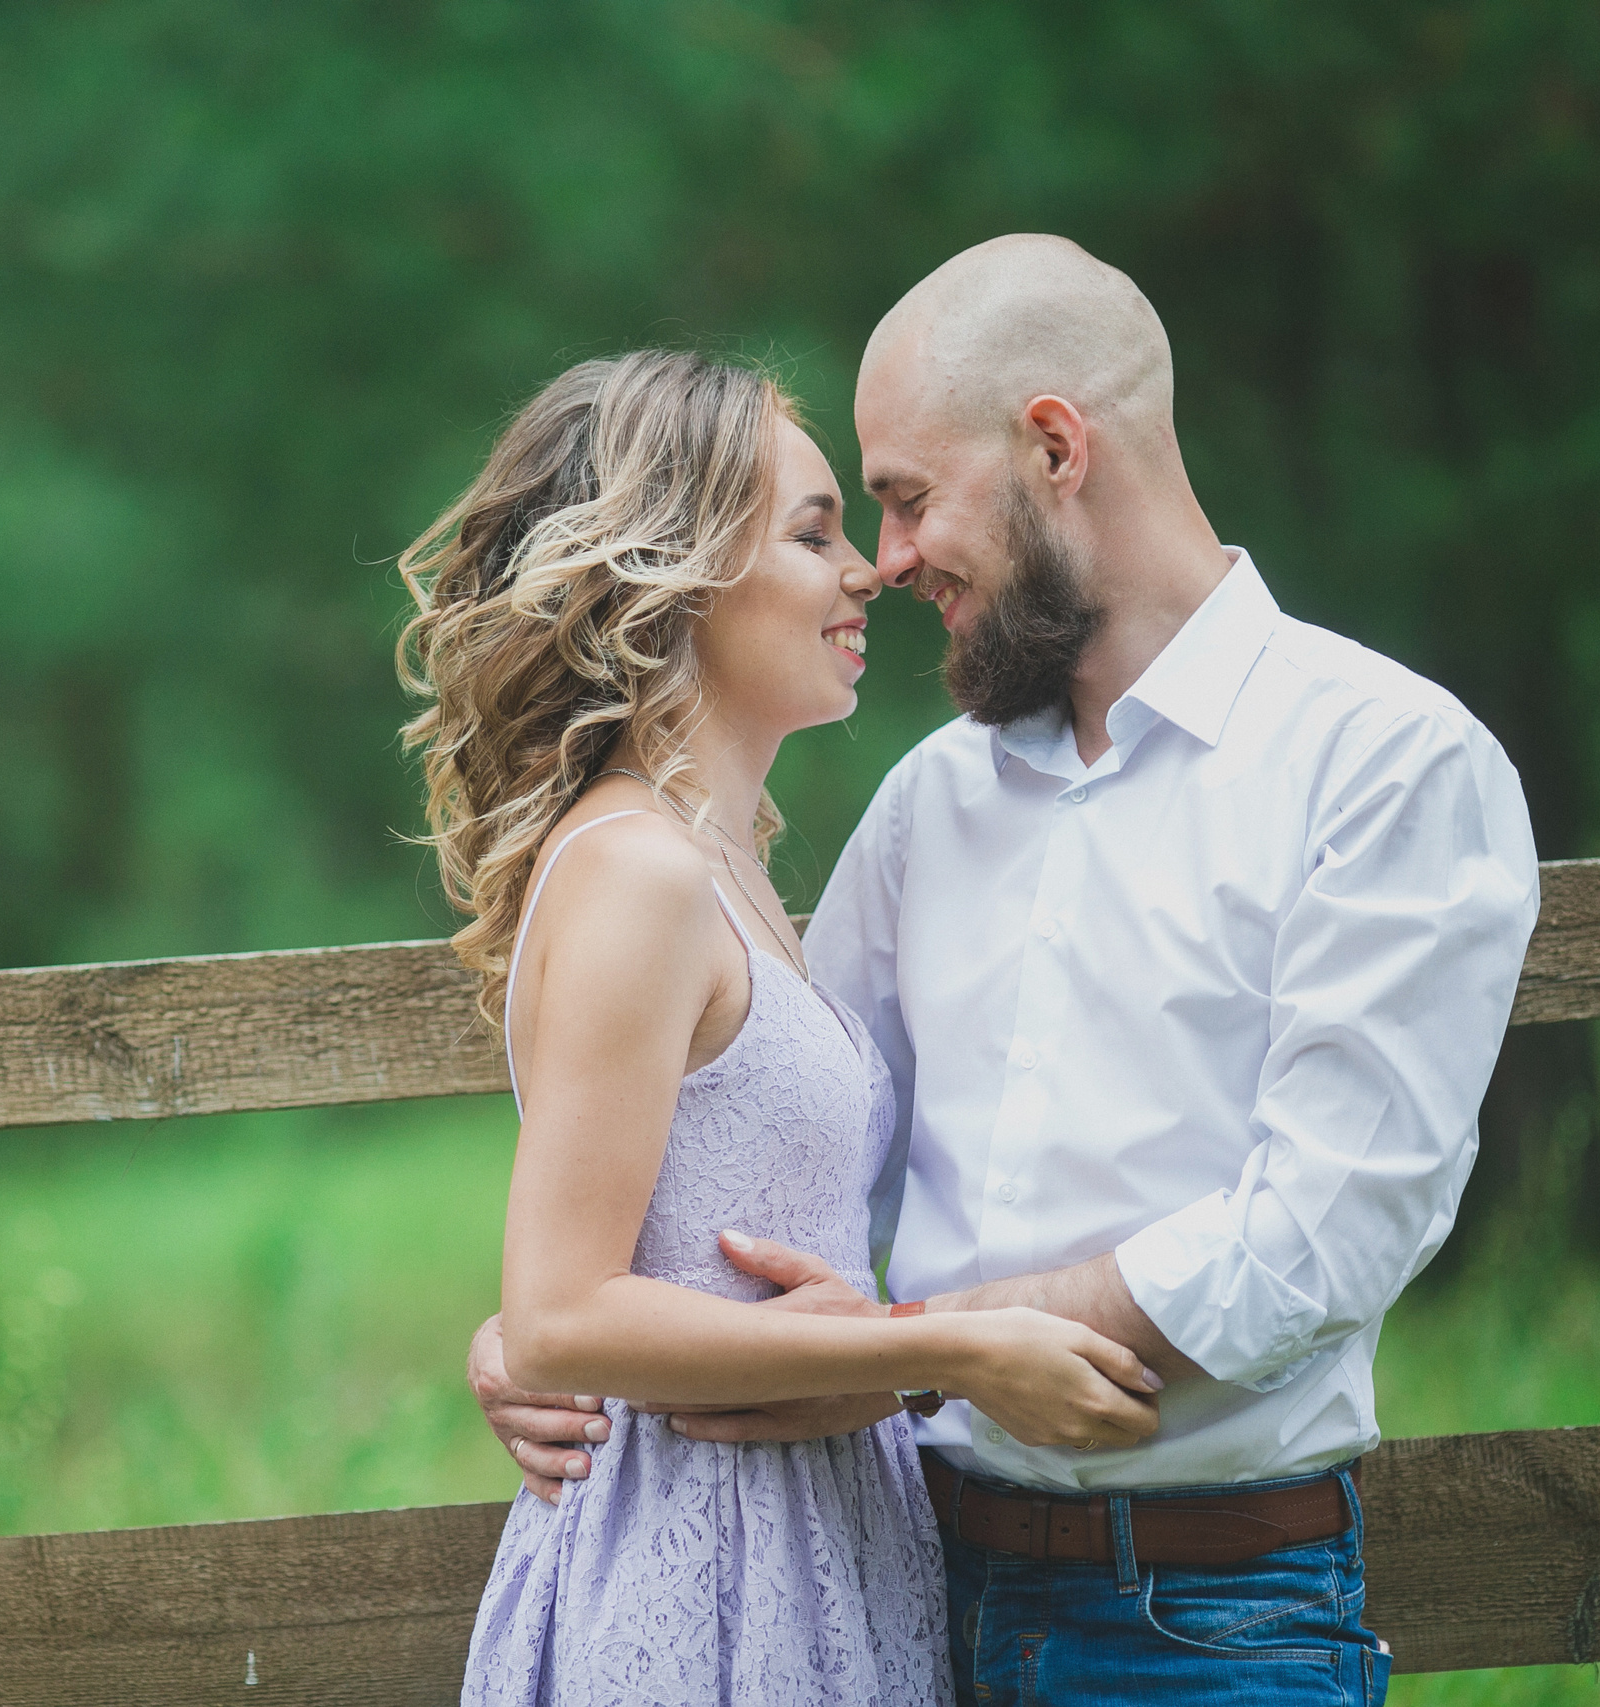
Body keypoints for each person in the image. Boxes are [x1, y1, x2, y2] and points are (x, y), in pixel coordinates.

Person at [467, 238, 1541, 1706]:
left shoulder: (1385, 762)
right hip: (900, 1581)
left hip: (1209, 1617)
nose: (886, 559)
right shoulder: (933, 804)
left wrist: (924, 1354)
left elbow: (1328, 1230)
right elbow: (767, 1136)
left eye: (905, 499)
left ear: (1054, 448)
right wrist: (557, 1332)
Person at [403, 347, 1164, 1707]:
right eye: (815, 534)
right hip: (698, 1573)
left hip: (810, 1536)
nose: (868, 569)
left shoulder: (730, 862)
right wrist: (948, 1347)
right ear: (676, 574)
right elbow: (566, 1311)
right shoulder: (638, 870)